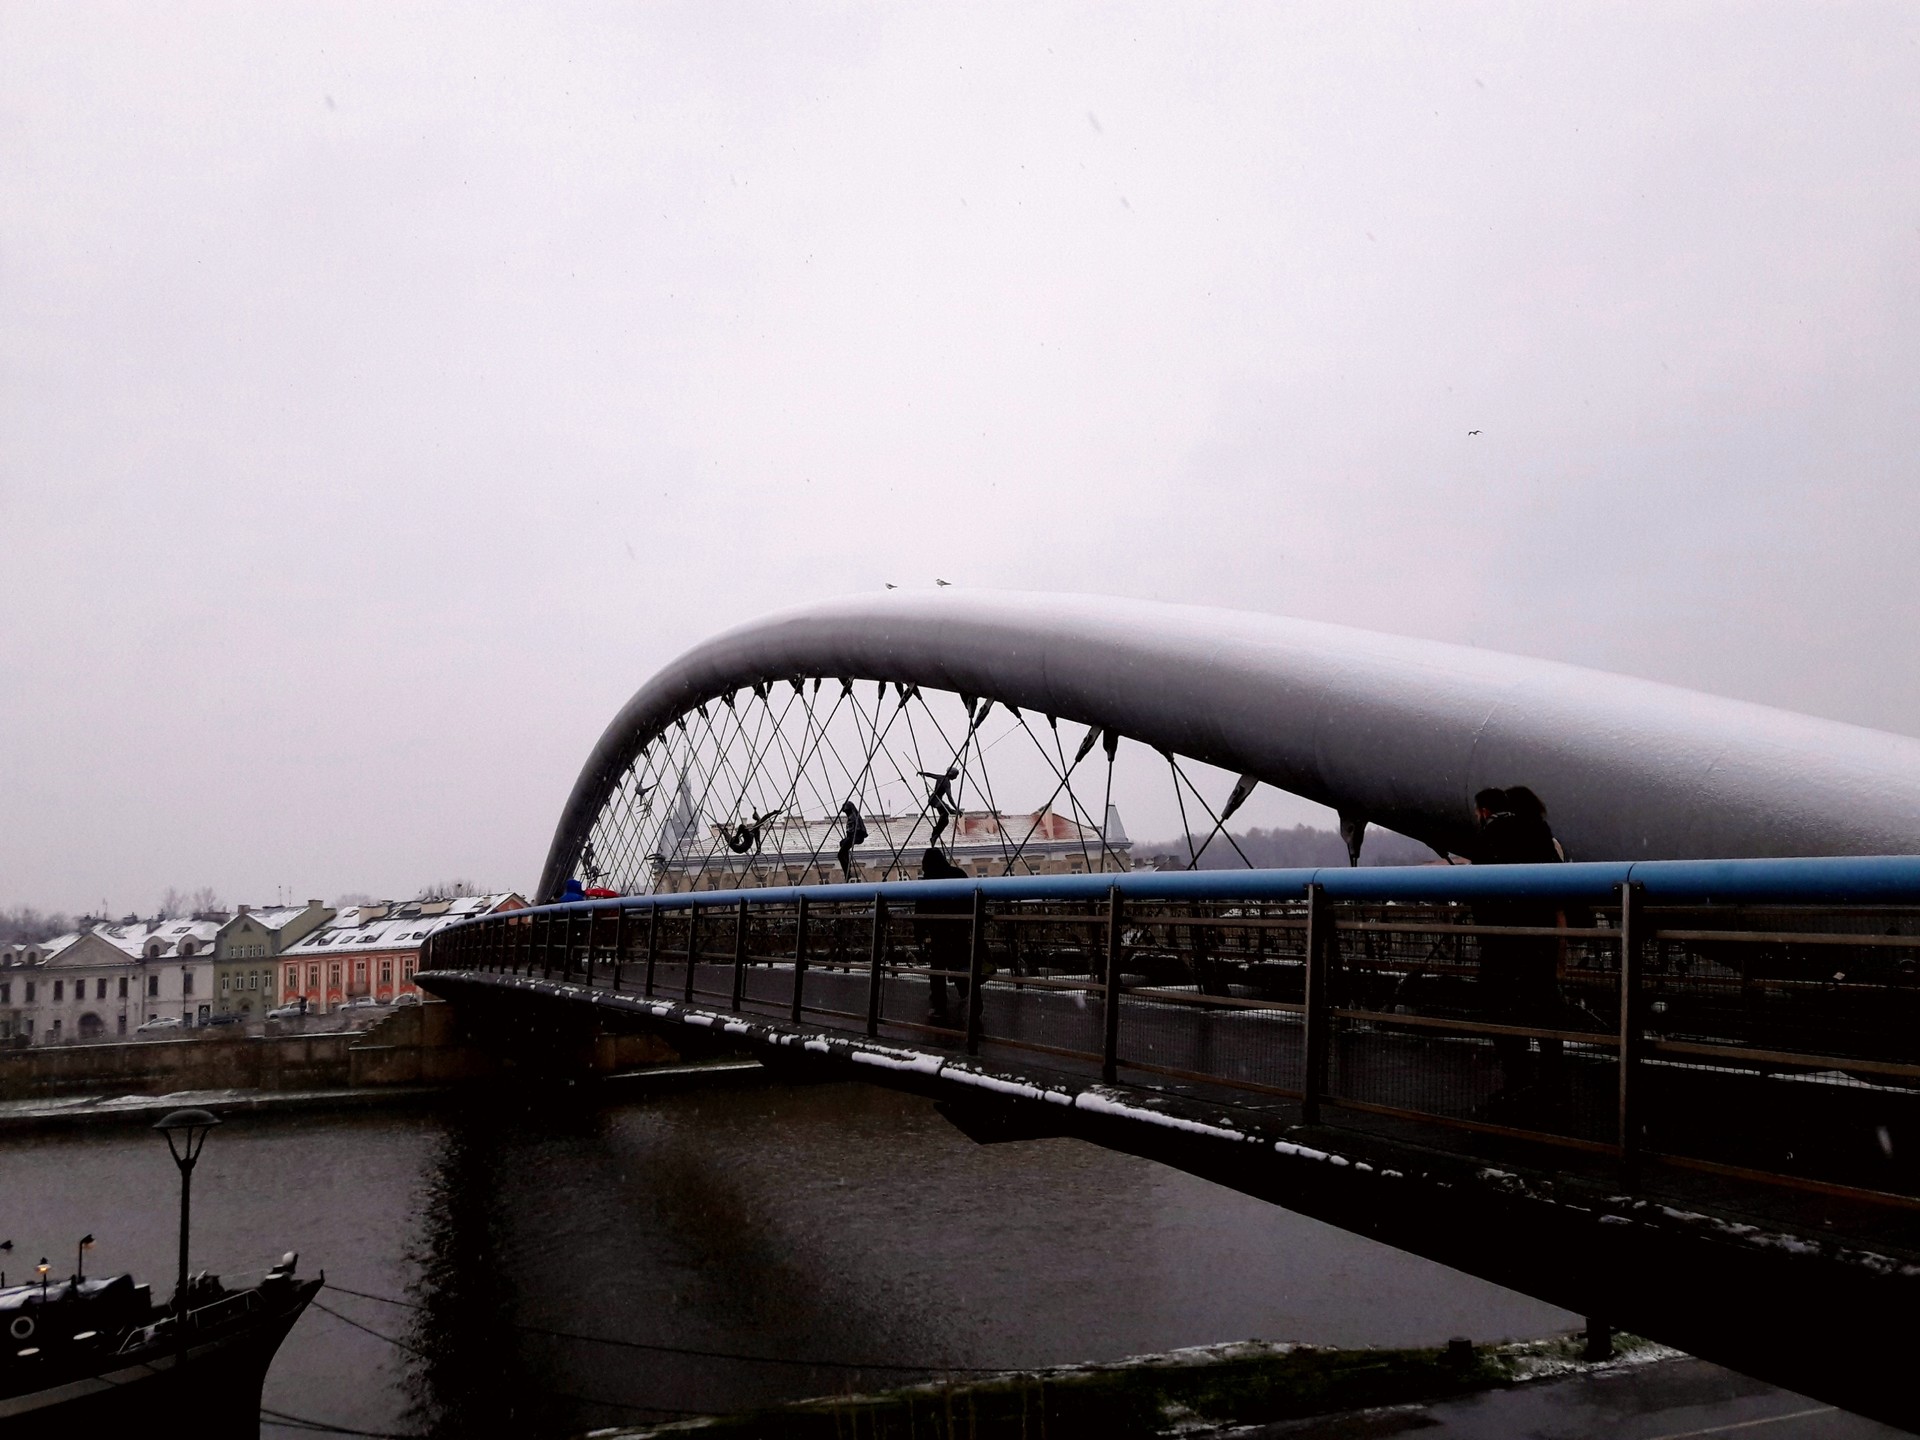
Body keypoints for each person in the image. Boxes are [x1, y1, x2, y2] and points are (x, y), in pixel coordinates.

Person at [1472, 786, 1567, 1111]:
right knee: (1542, 1004)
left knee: (1500, 1007)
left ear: (1483, 811)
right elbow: (1557, 878)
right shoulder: (1538, 830)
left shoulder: (1490, 835)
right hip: (1538, 935)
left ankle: (1518, 1079)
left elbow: (1480, 891)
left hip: (1502, 940)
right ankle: (1551, 1081)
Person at [913, 846, 971, 1025]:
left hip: (939, 932)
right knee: (960, 964)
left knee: (937, 968)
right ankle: (967, 993)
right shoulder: (958, 874)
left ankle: (939, 1005)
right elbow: (970, 899)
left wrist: (920, 934)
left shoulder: (928, 880)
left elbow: (920, 909)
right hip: (959, 930)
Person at [919, 767, 960, 845]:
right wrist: (956, 808)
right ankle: (955, 812)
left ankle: (934, 836)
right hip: (935, 800)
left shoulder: (941, 777)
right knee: (947, 810)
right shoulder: (947, 782)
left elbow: (930, 775)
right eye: (955, 775)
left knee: (945, 820)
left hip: (936, 800)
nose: (955, 778)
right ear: (952, 774)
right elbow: (949, 797)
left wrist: (922, 773)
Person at [836, 801, 869, 879]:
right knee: (842, 844)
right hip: (852, 838)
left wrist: (853, 834)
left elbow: (857, 830)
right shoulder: (852, 816)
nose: (846, 814)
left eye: (846, 812)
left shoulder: (853, 817)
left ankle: (847, 872)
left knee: (840, 855)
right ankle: (847, 865)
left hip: (855, 838)